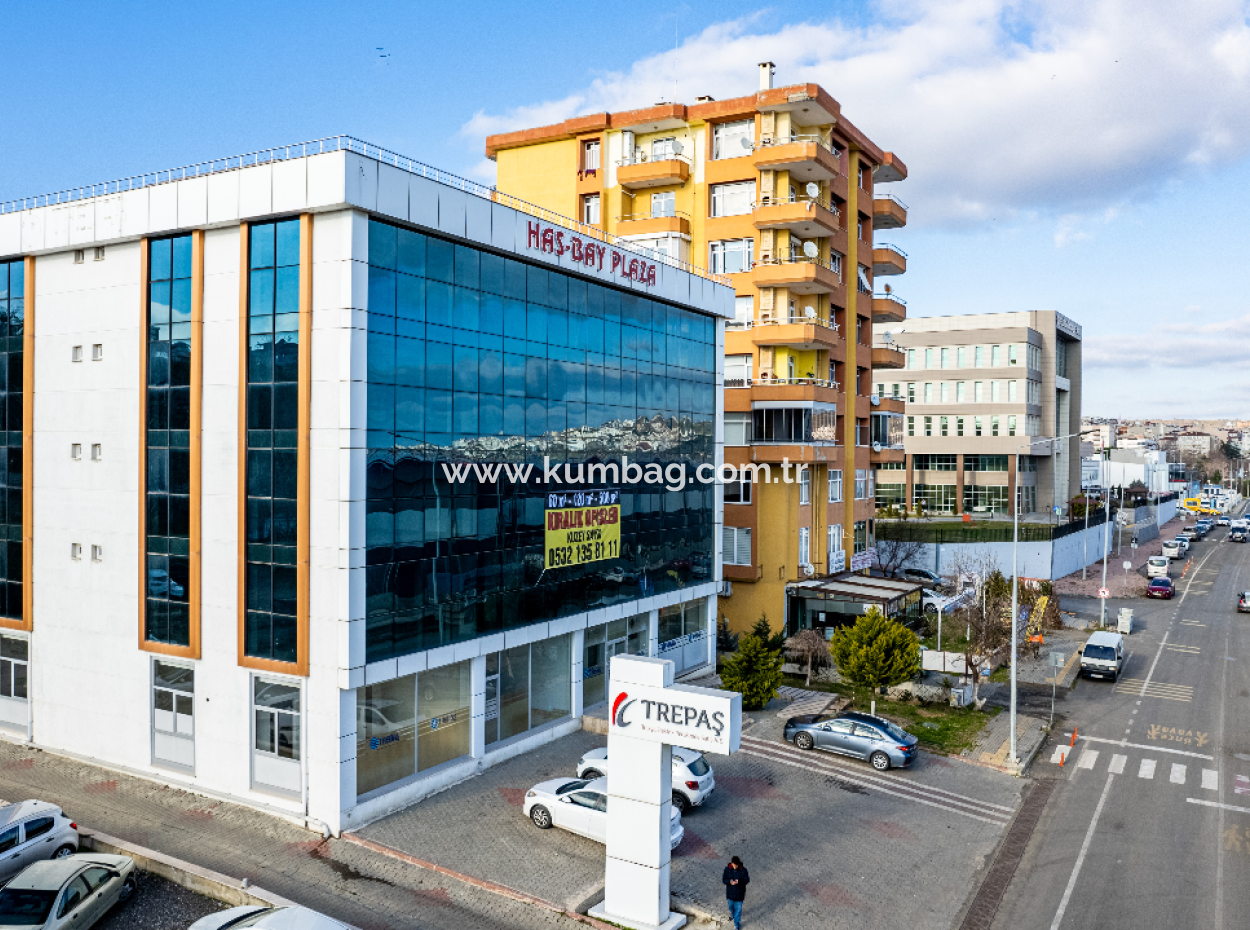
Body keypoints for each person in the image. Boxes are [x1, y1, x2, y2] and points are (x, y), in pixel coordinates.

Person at [722, 855, 749, 929]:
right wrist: (729, 882)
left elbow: (747, 880)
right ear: (731, 863)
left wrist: (739, 881)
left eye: (736, 865)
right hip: (730, 894)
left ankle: (736, 924)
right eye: (733, 865)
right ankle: (732, 913)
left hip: (739, 894)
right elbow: (724, 879)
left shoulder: (743, 870)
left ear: (738, 864)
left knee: (738, 910)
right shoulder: (727, 869)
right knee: (730, 907)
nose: (734, 866)